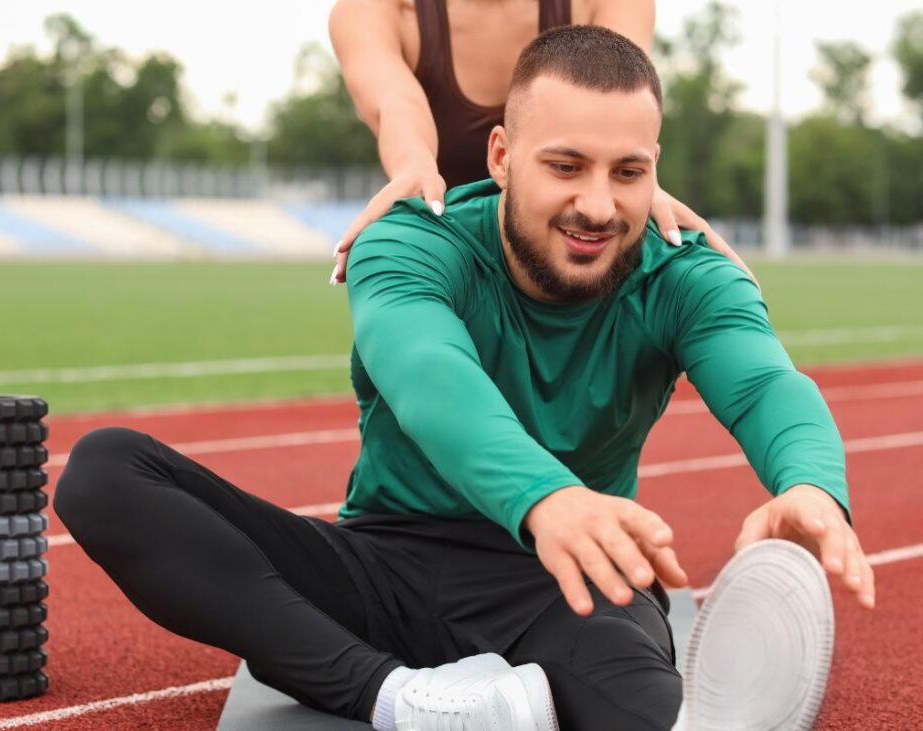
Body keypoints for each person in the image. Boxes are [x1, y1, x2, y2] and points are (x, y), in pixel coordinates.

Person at [54, 27, 874, 731]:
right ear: (502, 156)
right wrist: (546, 497)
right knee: (105, 472)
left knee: (650, 710)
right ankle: (398, 699)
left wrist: (809, 483)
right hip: (380, 564)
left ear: (655, 170)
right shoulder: (411, 243)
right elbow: (428, 374)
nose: (597, 204)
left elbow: (765, 382)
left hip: (565, 581)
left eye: (627, 172)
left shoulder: (686, 275)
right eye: (566, 166)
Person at [327, 0, 755, 286]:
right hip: (454, 266)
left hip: (570, 268)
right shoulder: (373, 10)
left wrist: (639, 185)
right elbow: (395, 103)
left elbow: (625, 107)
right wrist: (413, 165)